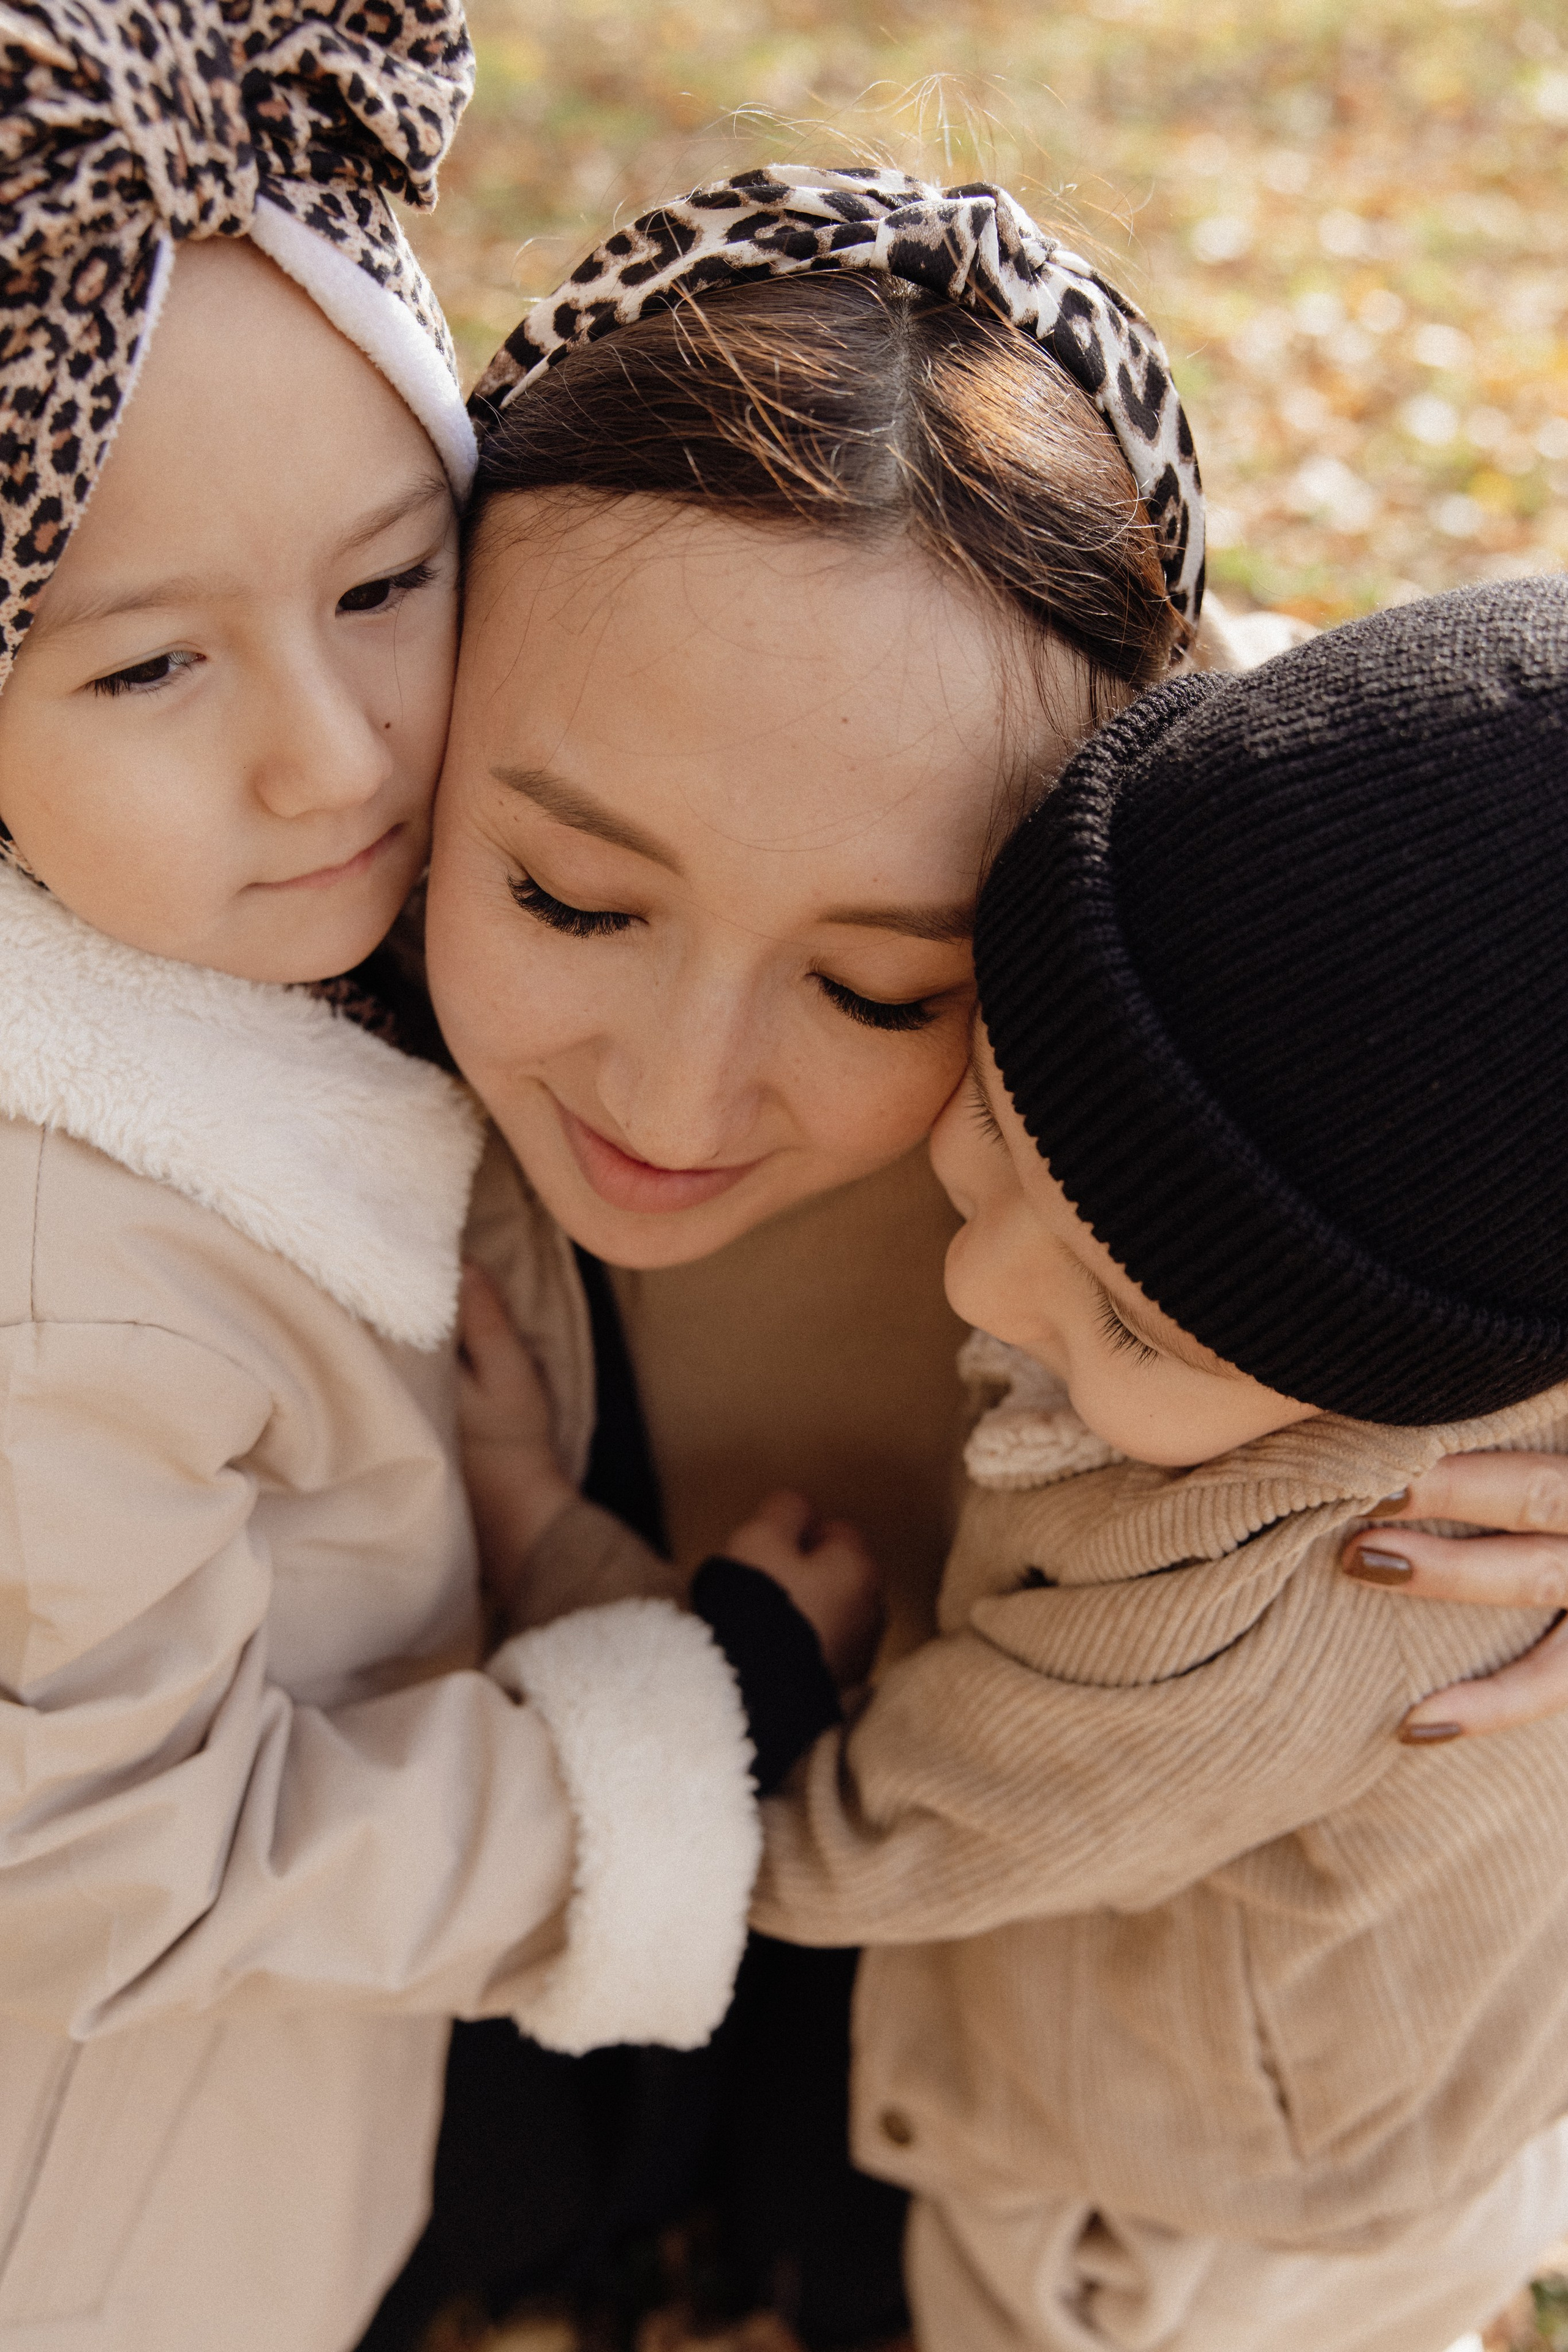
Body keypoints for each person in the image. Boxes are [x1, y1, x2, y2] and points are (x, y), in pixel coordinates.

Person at [409, 167, 1568, 2348]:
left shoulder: (1298, 997)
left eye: (880, 990)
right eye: (570, 896)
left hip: (1045, 2090)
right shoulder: (240, 979)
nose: (676, 1098)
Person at [0, 20, 818, 2348]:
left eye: (385, 587)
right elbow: (106, 1859)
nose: (332, 755)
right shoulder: (57, 1289)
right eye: (150, 667)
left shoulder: (220, 947)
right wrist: (669, 1744)